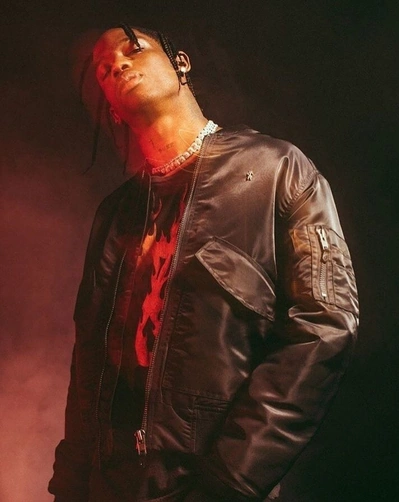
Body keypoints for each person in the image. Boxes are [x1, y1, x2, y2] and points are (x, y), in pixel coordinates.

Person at [49, 24, 359, 502]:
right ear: (111, 107)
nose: (118, 65)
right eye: (104, 70)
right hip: (110, 486)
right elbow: (88, 358)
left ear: (181, 63)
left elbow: (325, 325)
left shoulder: (277, 170)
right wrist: (70, 485)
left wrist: (231, 480)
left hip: (213, 483)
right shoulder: (115, 213)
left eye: (133, 49)